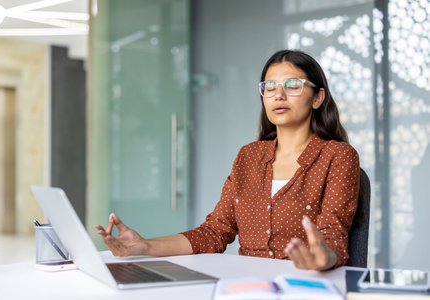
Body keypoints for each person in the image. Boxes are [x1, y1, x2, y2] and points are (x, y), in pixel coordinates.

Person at [96, 49, 360, 271]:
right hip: (246, 286)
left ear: (317, 97)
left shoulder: (338, 156)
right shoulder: (249, 156)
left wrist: (323, 258)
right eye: (269, 87)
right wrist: (144, 246)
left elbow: (333, 237)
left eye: (293, 86)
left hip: (304, 286)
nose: (279, 95)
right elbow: (215, 232)